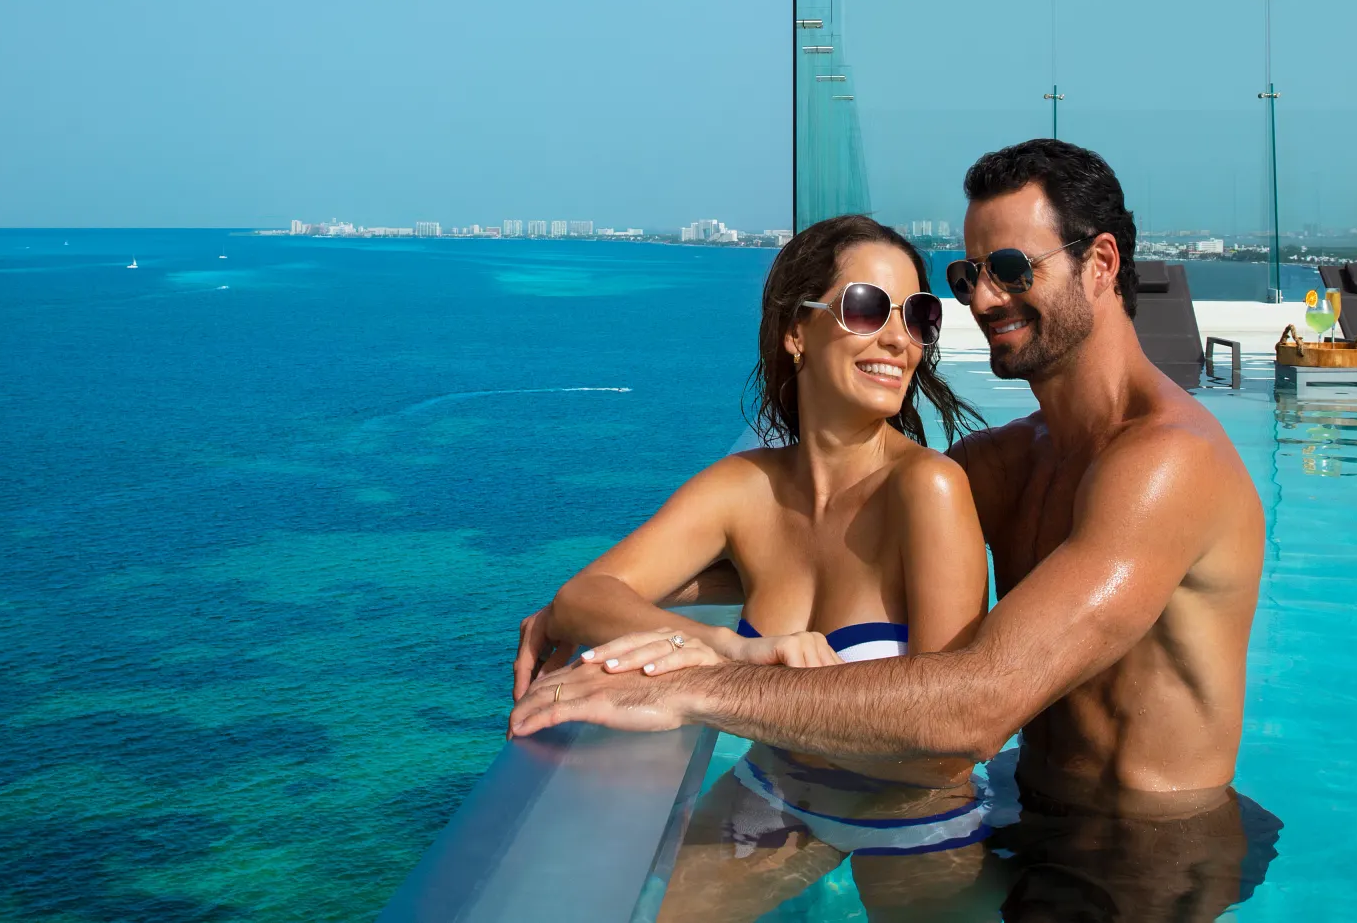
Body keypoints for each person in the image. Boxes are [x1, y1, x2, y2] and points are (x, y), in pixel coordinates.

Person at [513, 140, 1279, 919]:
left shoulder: (1166, 465)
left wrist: (696, 685)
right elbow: (831, 544)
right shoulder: (1008, 461)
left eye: (1012, 267)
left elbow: (978, 708)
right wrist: (608, 609)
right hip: (1023, 798)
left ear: (1103, 262)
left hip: (1148, 843)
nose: (983, 300)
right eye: (967, 277)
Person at [526, 212, 998, 919]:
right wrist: (721, 647)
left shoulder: (925, 489)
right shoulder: (743, 489)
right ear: (795, 329)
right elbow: (582, 595)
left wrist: (755, 692)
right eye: (867, 307)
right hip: (777, 795)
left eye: (918, 315)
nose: (900, 339)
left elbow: (947, 742)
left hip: (915, 820)